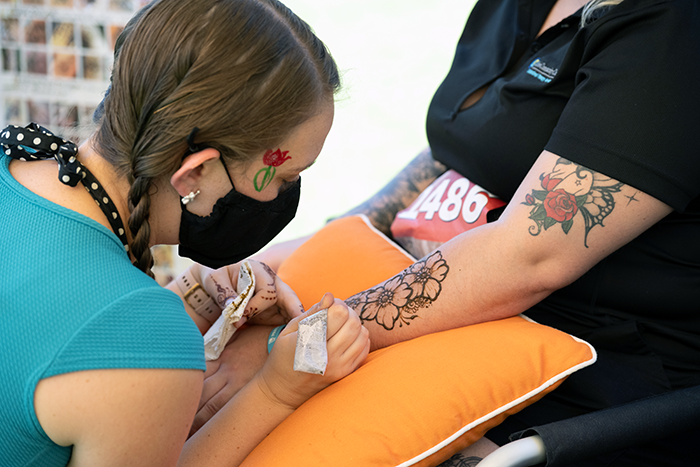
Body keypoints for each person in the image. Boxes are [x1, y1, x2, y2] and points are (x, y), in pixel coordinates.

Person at [194, 0, 700, 465]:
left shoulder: (673, 29)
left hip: (591, 377)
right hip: (448, 313)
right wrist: (280, 262)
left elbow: (530, 256)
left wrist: (288, 351)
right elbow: (461, 152)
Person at [0, 0, 370, 465]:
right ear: (194, 174)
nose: (285, 195)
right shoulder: (147, 345)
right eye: (285, 177)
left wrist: (186, 292)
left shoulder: (12, 159)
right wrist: (276, 392)